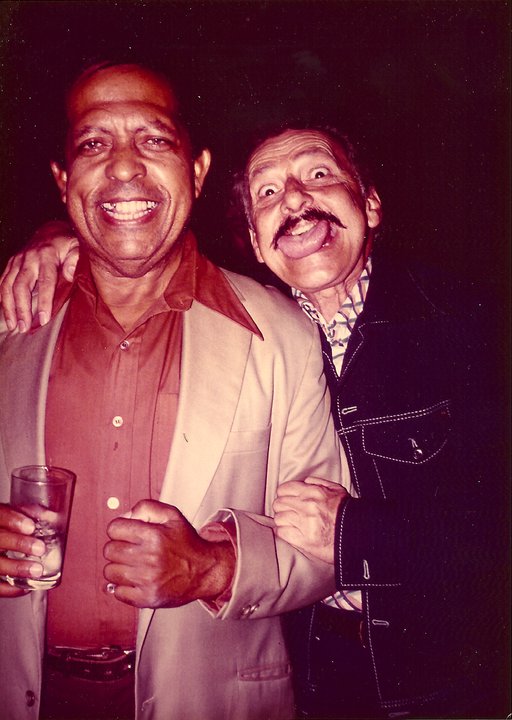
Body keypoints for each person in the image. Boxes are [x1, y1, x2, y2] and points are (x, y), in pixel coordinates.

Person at [7, 122, 509, 720]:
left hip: (441, 683)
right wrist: (57, 235)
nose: (294, 199)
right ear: (255, 239)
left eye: (318, 174)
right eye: (267, 192)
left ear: (371, 205)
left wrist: (353, 534)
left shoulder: (469, 325)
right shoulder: (252, 332)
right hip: (312, 684)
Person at [0, 64, 346, 720]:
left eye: (154, 140)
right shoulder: (9, 321)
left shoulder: (283, 335)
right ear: (63, 181)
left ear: (197, 170)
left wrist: (215, 567)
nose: (124, 167)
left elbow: (328, 546)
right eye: (94, 143)